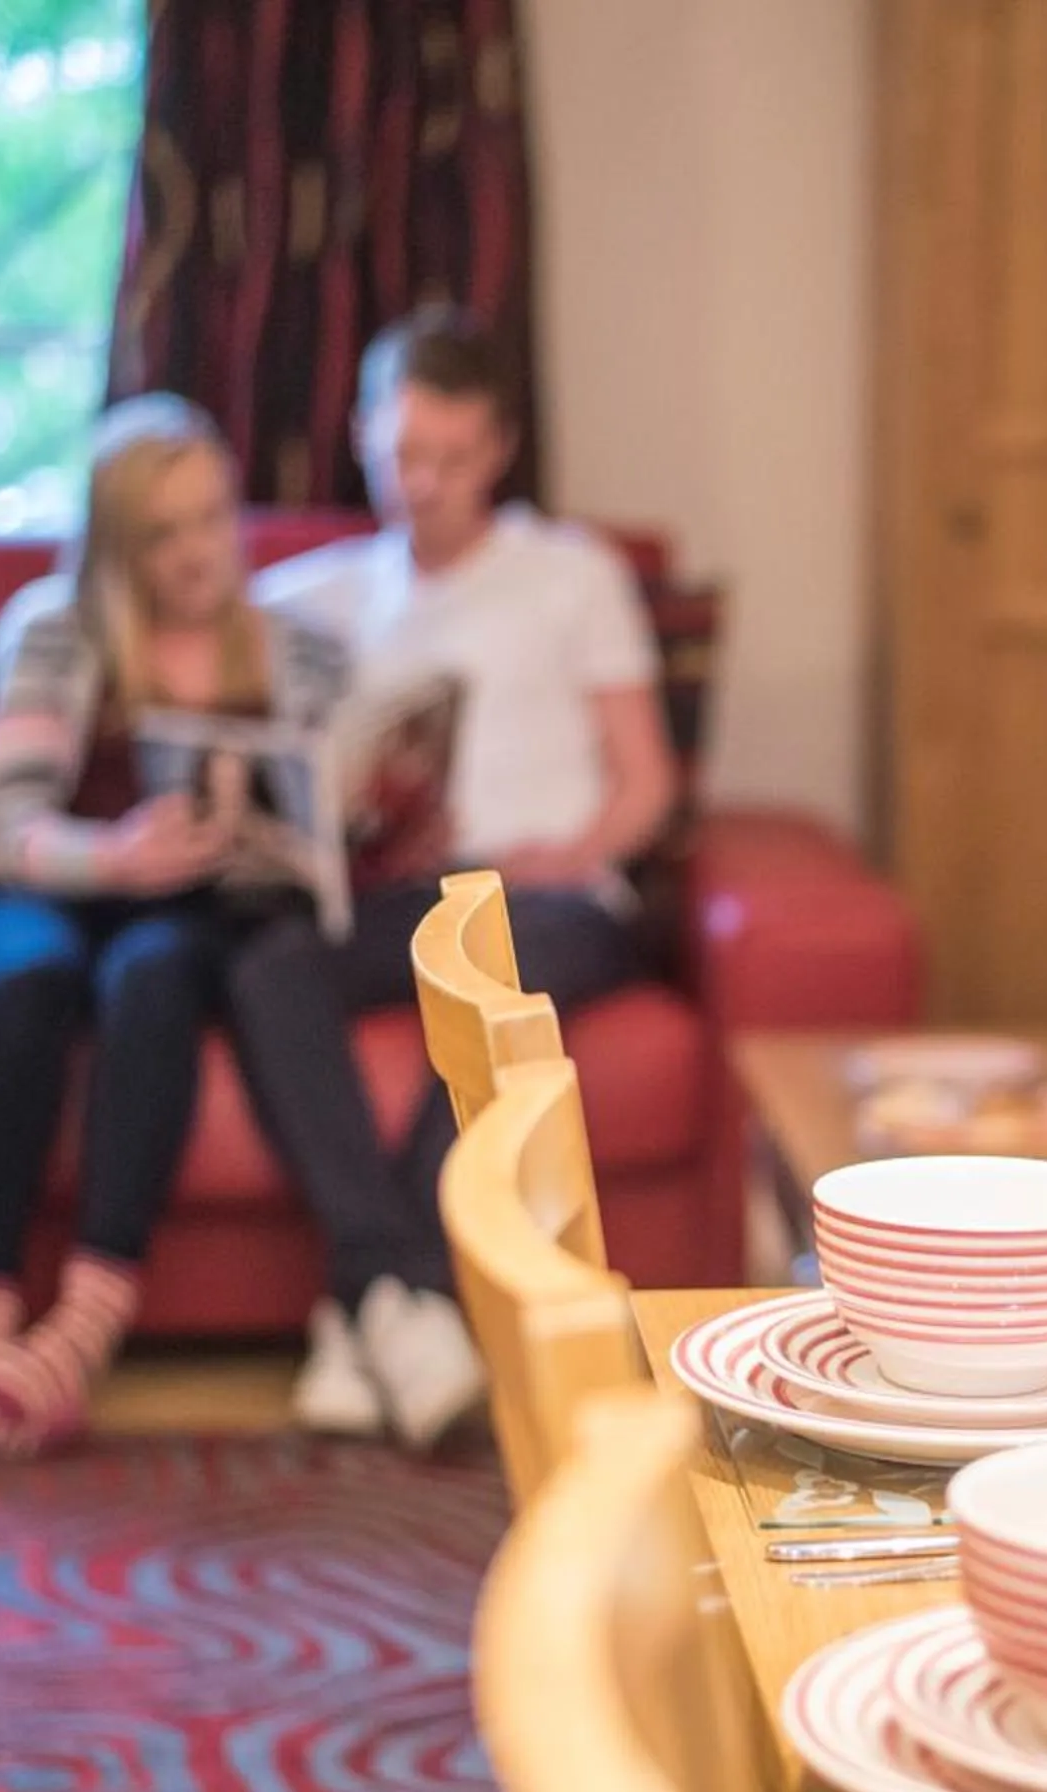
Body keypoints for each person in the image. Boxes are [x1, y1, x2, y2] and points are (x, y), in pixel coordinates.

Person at [238, 308, 679, 1448]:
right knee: (271, 965)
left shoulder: (570, 575)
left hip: (554, 897)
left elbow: (645, 785)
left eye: (449, 457)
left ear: (497, 452)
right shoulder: (321, 597)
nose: (420, 481)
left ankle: (379, 1303)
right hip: (404, 896)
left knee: (487, 987)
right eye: (400, 454)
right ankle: (396, 1297)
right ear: (363, 434)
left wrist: (567, 852)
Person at [0, 396, 349, 1457]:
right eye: (164, 532)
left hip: (191, 912)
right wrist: (115, 852)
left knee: (156, 977)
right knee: (27, 983)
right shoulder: (50, 628)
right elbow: (14, 827)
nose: (199, 551)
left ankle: (86, 1321)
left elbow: (324, 818)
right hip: (53, 885)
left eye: (213, 518)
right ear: (118, 544)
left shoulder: (299, 648)